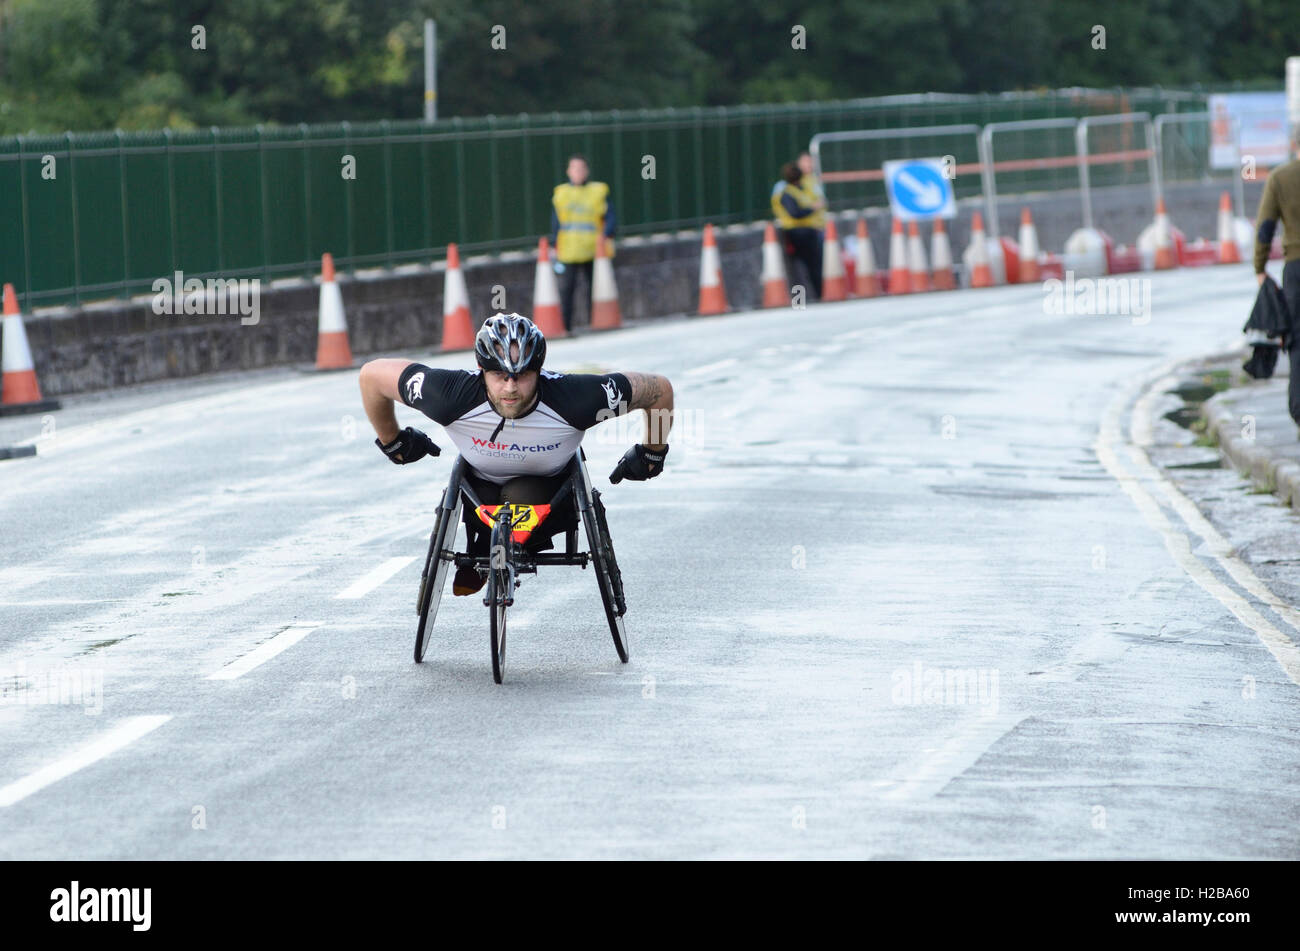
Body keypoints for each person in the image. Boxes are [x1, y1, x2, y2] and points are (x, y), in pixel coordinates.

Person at [359, 313, 672, 595]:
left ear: (538, 370)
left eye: (521, 376)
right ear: (481, 370)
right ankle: (485, 545)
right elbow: (372, 376)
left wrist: (651, 452)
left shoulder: (576, 399)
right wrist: (393, 441)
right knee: (487, 495)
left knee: (520, 491)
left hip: (549, 492)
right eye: (499, 376)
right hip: (478, 490)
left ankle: (505, 545)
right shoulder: (448, 395)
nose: (510, 387)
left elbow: (658, 390)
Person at [1253, 124, 1300, 425]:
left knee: (1297, 342)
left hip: (1296, 270)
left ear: (1295, 142)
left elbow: (1265, 227)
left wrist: (1259, 268)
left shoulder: (1280, 178)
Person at [550, 154, 617, 332]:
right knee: (567, 290)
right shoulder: (561, 193)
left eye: (581, 168)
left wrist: (606, 234)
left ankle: (594, 322)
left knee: (594, 289)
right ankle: (566, 326)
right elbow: (555, 222)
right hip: (569, 250)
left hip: (593, 249)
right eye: (574, 168)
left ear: (586, 171)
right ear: (568, 171)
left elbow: (611, 218)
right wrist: (553, 245)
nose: (578, 172)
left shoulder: (598, 191)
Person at [771, 162, 824, 299]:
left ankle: (816, 296)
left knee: (809, 266)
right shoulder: (788, 193)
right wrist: (812, 209)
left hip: (803, 232)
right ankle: (804, 299)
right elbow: (794, 213)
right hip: (796, 234)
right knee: (803, 267)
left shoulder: (795, 190)